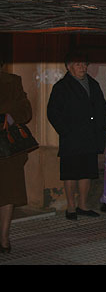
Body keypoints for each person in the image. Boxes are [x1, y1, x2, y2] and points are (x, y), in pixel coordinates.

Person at [47, 50, 106, 220]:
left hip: (89, 137)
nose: (82, 67)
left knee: (87, 172)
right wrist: (66, 131)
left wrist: (101, 128)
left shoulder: (93, 84)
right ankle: (71, 207)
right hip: (71, 138)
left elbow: (102, 107)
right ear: (69, 67)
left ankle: (83, 204)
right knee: (71, 172)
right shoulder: (61, 87)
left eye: (84, 64)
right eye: (78, 64)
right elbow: (53, 112)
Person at [0, 58, 32, 253]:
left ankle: (4, 238)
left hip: (7, 148)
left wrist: (8, 119)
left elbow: (26, 111)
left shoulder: (12, 81)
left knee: (8, 192)